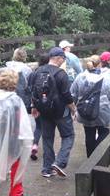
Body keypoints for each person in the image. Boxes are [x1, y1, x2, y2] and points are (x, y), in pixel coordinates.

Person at [28, 47, 76, 178]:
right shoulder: (61, 74)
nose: (63, 61)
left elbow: (32, 90)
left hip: (44, 111)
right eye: (63, 59)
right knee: (68, 136)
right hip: (60, 112)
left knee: (47, 139)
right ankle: (59, 163)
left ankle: (47, 169)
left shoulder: (37, 71)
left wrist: (34, 106)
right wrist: (73, 109)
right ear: (59, 58)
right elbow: (67, 95)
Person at [71, 55, 110, 157]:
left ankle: (90, 158)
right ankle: (97, 157)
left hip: (85, 110)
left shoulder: (81, 77)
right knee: (104, 132)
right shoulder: (106, 77)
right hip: (103, 110)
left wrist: (74, 108)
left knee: (89, 134)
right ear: (100, 64)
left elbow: (73, 94)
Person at [29, 53, 49, 161]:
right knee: (48, 128)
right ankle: (47, 152)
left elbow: (30, 89)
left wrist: (32, 105)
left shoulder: (34, 72)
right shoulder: (50, 72)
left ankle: (34, 145)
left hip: (36, 103)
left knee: (38, 126)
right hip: (47, 104)